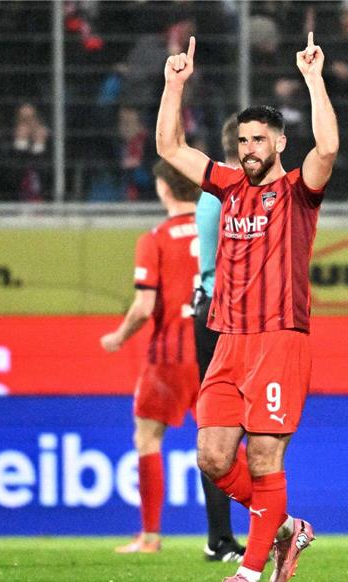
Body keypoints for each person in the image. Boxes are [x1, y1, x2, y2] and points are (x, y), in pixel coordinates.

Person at [155, 32, 338, 582]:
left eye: (260, 138)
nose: (250, 147)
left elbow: (327, 150)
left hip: (281, 339)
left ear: (280, 141)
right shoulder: (227, 185)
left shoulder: (297, 191)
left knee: (263, 455)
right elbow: (168, 147)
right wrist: (174, 84)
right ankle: (283, 527)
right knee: (212, 456)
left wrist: (313, 79)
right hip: (230, 341)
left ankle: (247, 575)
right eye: (243, 139)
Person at [100, 160, 203, 554]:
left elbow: (145, 307)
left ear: (162, 187)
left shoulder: (155, 238)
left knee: (147, 439)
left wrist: (118, 337)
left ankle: (150, 537)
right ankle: (273, 523)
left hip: (170, 355)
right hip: (214, 351)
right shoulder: (218, 233)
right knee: (224, 447)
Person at [193, 113, 246, 564]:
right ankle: (223, 535)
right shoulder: (229, 192)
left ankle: (222, 535)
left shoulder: (214, 193)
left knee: (226, 428)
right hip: (222, 315)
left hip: (211, 309)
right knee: (229, 429)